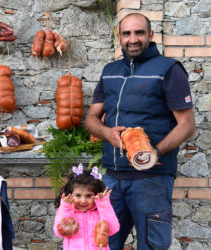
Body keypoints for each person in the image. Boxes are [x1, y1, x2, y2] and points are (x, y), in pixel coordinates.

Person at [84, 13, 196, 250]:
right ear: (119, 37)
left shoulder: (169, 69)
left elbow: (187, 124)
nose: (132, 39)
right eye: (126, 33)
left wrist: (155, 152)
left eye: (139, 33)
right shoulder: (110, 70)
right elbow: (92, 119)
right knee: (103, 245)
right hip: (112, 179)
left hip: (152, 180)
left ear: (150, 35)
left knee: (152, 247)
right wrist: (107, 133)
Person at [53, 165, 120, 249]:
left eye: (88, 196)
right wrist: (66, 208)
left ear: (96, 194)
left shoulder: (99, 211)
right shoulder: (66, 210)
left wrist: (103, 204)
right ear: (70, 194)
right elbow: (59, 232)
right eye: (78, 195)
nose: (83, 200)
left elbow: (113, 229)